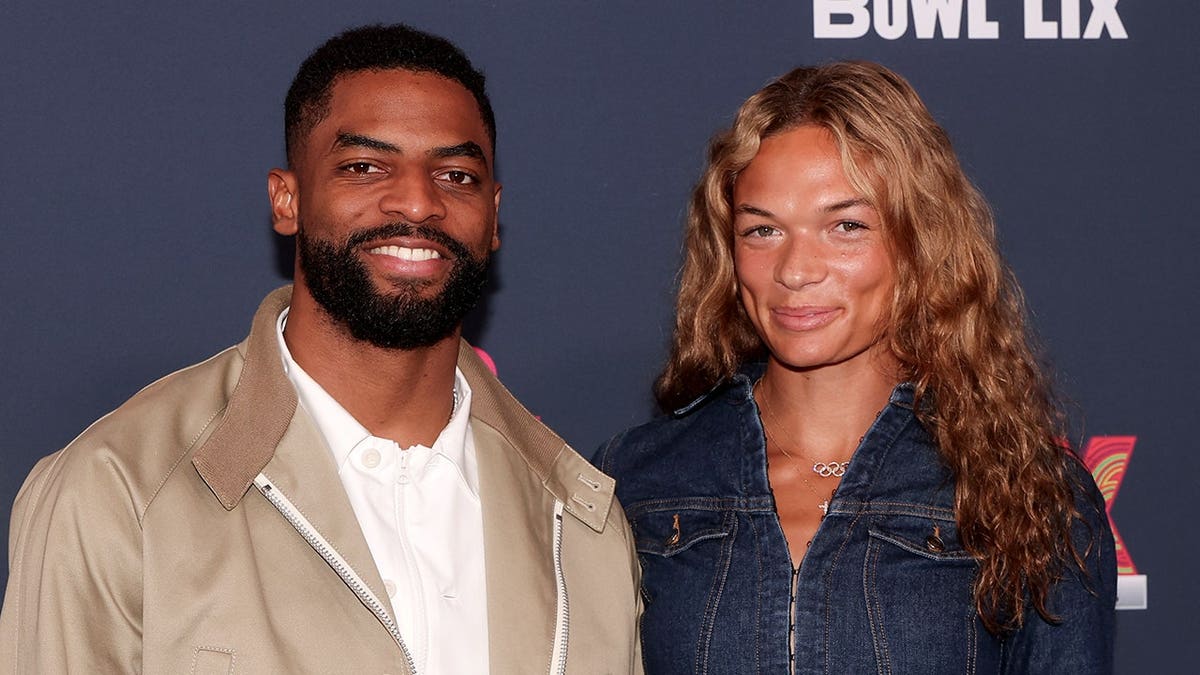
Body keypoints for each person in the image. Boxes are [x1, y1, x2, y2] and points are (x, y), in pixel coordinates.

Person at [0, 24, 641, 674]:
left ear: (494, 214)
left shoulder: (582, 522)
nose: (418, 201)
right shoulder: (117, 494)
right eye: (365, 167)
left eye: (456, 174)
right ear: (288, 199)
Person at [597, 61, 1115, 674]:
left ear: (919, 241)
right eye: (762, 230)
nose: (795, 270)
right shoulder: (635, 481)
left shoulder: (1028, 494)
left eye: (845, 226)